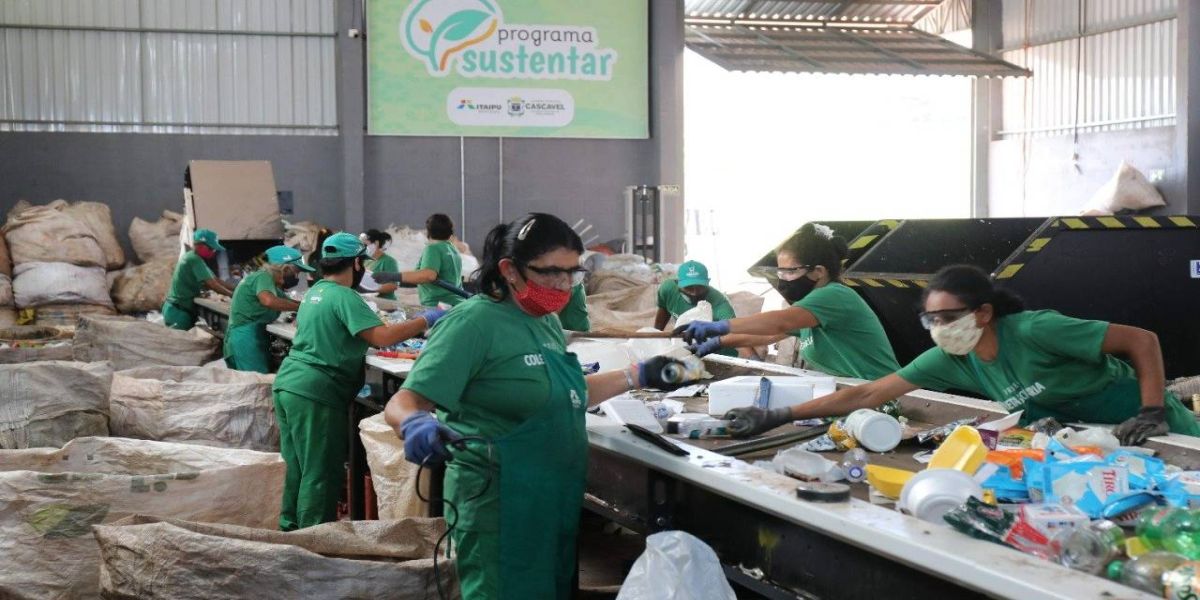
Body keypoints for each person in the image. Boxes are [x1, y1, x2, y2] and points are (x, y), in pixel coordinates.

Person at [383, 213, 698, 599]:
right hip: (498, 506)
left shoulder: (544, 321)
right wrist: (414, 423)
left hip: (552, 501)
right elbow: (405, 400)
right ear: (509, 270)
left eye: (572, 273)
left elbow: (564, 392)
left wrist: (637, 375)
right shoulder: (473, 324)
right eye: (550, 273)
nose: (564, 284)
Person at [709, 264, 1200, 446]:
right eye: (932, 320)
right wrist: (776, 415)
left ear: (983, 312)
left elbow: (1142, 340)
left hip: (1157, 431)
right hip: (1098, 444)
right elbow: (868, 392)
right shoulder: (951, 358)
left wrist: (1153, 409)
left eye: (949, 317)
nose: (940, 329)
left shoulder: (1035, 330)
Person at [272, 232, 446, 531]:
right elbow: (381, 337)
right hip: (316, 390)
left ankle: (290, 528)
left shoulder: (315, 293)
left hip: (290, 384)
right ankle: (316, 541)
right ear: (355, 263)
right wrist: (426, 320)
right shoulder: (344, 296)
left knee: (297, 466)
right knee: (321, 471)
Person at [682, 223, 900, 382]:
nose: (782, 278)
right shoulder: (810, 305)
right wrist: (718, 342)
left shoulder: (833, 295)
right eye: (780, 271)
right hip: (856, 391)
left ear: (818, 272)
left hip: (882, 394)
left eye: (790, 271)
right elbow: (768, 335)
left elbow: (779, 323)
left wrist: (719, 326)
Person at [223, 245, 313, 373]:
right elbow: (268, 301)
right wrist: (302, 307)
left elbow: (289, 301)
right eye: (296, 272)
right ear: (285, 268)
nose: (297, 276)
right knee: (255, 387)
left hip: (248, 337)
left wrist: (311, 305)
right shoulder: (263, 276)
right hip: (246, 340)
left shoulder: (268, 284)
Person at [654, 260, 736, 356]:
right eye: (688, 287)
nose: (695, 292)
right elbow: (662, 315)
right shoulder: (667, 290)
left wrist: (752, 357)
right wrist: (655, 339)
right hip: (688, 348)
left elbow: (737, 331)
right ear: (677, 284)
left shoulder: (719, 302)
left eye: (700, 287)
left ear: (708, 283)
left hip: (719, 354)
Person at [163, 228, 234, 330]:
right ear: (200, 245)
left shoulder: (195, 258)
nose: (213, 252)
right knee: (181, 344)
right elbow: (212, 284)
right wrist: (232, 295)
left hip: (178, 309)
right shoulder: (193, 259)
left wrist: (237, 288)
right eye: (211, 248)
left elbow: (215, 280)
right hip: (178, 312)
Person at [396, 213, 465, 307]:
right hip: (456, 303)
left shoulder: (433, 249)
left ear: (429, 231)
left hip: (439, 306)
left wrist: (394, 276)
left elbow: (428, 276)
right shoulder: (453, 249)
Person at [363, 229, 400, 300]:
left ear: (376, 243)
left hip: (386, 304)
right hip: (370, 302)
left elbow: (393, 286)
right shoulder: (365, 261)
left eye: (366, 245)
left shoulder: (389, 261)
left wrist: (371, 289)